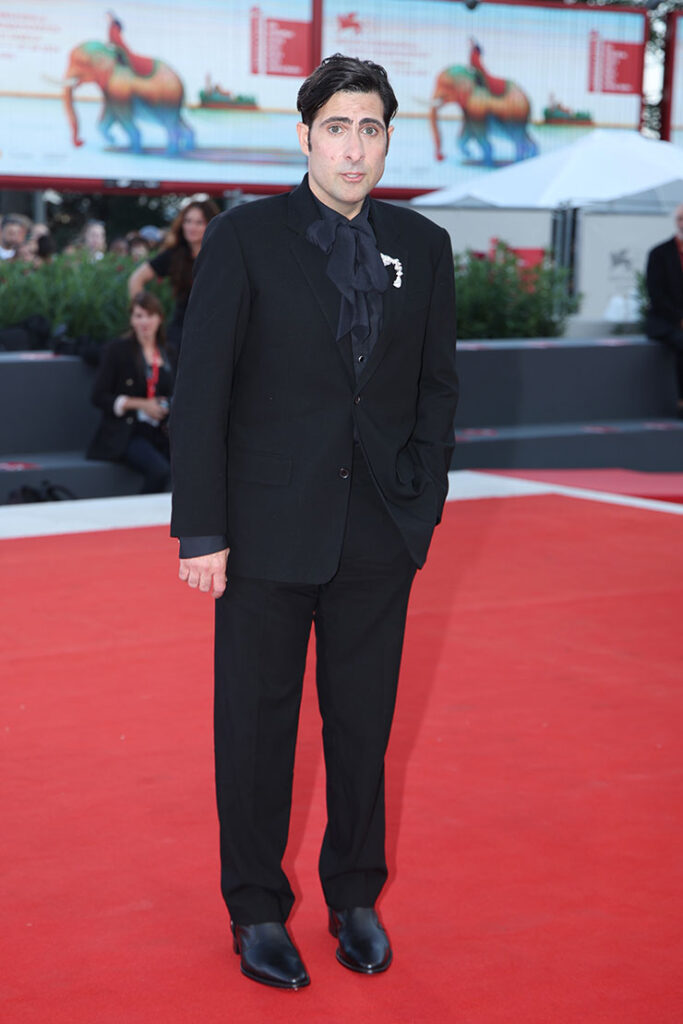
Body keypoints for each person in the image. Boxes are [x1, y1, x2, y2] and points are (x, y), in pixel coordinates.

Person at [170, 54, 458, 991]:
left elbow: (436, 388)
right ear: (304, 137)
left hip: (378, 529)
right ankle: (255, 907)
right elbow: (201, 390)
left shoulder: (423, 244)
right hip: (263, 529)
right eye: (336, 127)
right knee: (254, 729)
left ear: (386, 138)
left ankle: (353, 894)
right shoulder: (247, 239)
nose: (353, 146)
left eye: (370, 127)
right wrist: (202, 530)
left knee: (363, 728)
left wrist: (421, 498)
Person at [87, 291, 173, 492]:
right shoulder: (118, 351)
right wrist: (142, 404)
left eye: (150, 315)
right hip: (128, 430)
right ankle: (144, 517)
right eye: (139, 316)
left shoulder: (169, 352)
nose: (145, 322)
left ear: (159, 318)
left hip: (163, 429)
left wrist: (166, 405)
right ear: (131, 320)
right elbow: (98, 396)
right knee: (159, 470)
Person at [127, 199, 219, 363]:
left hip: (215, 330)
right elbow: (136, 279)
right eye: (188, 221)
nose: (192, 227)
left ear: (210, 225)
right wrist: (144, 314)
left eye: (199, 222)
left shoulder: (221, 256)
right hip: (181, 332)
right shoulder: (175, 254)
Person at [645, 204, 683, 410]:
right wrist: (678, 318)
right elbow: (656, 294)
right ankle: (680, 401)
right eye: (680, 219)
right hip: (665, 321)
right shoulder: (659, 254)